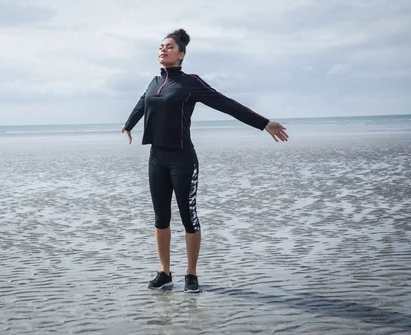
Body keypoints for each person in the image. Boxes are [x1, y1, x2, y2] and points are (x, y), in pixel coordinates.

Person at [122, 29, 289, 293]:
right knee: (160, 218)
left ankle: (191, 274)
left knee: (189, 217)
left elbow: (227, 104)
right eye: (160, 47)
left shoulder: (191, 83)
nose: (162, 50)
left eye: (169, 47)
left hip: (183, 160)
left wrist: (264, 123)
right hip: (157, 159)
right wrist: (129, 124)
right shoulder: (154, 82)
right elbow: (143, 102)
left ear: (181, 55)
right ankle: (165, 273)